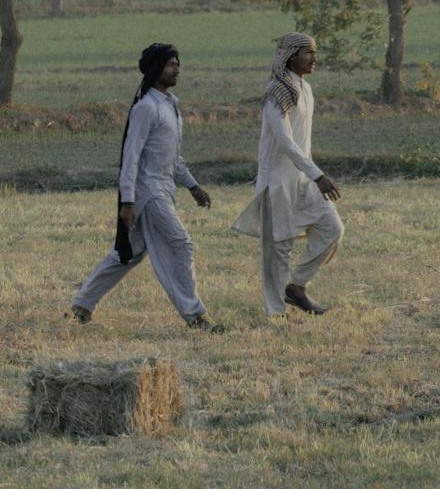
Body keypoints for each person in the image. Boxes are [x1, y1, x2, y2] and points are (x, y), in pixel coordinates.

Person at [69, 42, 223, 331]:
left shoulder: (170, 106)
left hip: (164, 188)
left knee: (129, 253)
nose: (176, 68)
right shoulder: (145, 108)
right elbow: (130, 157)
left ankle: (81, 305)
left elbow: (172, 158)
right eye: (170, 64)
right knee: (181, 244)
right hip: (147, 191)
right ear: (155, 69)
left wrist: (193, 186)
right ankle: (196, 316)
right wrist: (127, 201)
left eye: (177, 63)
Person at [231, 32, 344, 315]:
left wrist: (311, 175)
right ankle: (276, 313)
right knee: (278, 249)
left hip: (303, 180)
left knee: (332, 229)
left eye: (315, 53)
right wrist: (319, 175)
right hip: (278, 182)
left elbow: (302, 143)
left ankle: (297, 287)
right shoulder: (277, 91)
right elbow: (285, 142)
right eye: (308, 53)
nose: (314, 58)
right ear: (291, 56)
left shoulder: (304, 89)